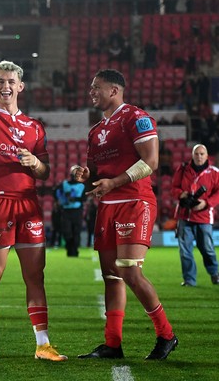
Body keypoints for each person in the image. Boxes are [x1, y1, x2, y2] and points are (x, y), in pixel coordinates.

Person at [0, 60, 67, 362]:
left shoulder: (34, 127)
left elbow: (45, 172)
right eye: (0, 81)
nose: (6, 86)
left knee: (35, 276)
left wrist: (35, 164)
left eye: (11, 82)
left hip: (28, 204)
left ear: (21, 86)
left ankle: (43, 344)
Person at [72, 69, 178, 360]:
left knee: (129, 270)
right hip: (107, 206)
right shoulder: (95, 131)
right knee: (112, 276)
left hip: (135, 201)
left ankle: (166, 335)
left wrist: (115, 182)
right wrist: (84, 175)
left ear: (114, 90)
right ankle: (112, 344)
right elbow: (94, 172)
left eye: (97, 87)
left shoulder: (136, 117)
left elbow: (151, 162)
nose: (91, 92)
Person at [172, 144, 219, 286]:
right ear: (192, 155)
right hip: (184, 215)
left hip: (204, 216)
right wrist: (181, 194)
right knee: (185, 251)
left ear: (207, 156)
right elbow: (174, 187)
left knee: (207, 248)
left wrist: (206, 203)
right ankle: (189, 280)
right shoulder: (183, 168)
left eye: (202, 154)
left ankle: (215, 273)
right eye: (196, 154)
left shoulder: (215, 172)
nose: (199, 156)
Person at [55, 172, 85, 257]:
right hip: (66, 211)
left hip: (77, 211)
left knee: (76, 232)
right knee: (67, 232)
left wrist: (75, 198)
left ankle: (75, 250)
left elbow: (84, 198)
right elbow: (56, 192)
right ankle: (69, 248)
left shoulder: (82, 186)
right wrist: (62, 198)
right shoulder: (64, 184)